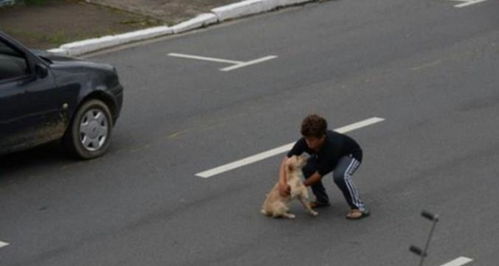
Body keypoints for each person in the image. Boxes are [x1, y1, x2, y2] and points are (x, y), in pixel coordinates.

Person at [278, 114, 369, 220]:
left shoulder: (332, 146)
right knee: (307, 167)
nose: (307, 143)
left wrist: (298, 187)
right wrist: (282, 183)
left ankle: (359, 208)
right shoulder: (305, 141)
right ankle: (322, 200)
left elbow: (318, 175)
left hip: (349, 155)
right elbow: (286, 160)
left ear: (322, 137)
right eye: (306, 139)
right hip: (325, 157)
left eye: (311, 140)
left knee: (340, 176)